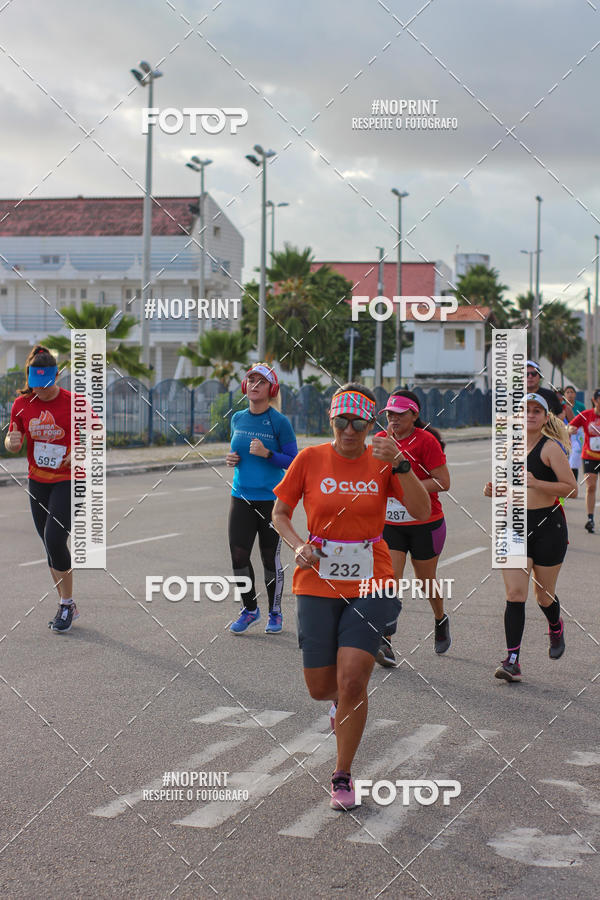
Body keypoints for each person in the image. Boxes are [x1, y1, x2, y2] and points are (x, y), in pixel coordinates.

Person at [272, 383, 430, 810]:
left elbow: (420, 510)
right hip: (317, 578)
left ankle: (342, 774)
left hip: (372, 577)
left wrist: (401, 466)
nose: (349, 430)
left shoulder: (384, 460)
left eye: (358, 422)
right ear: (331, 421)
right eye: (341, 421)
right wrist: (298, 544)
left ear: (369, 424)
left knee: (354, 678)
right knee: (321, 687)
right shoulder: (310, 459)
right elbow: (280, 513)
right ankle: (337, 707)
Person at [484, 394, 576, 682]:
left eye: (537, 411)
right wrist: (495, 490)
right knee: (515, 595)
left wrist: (538, 483)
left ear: (546, 418)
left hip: (548, 526)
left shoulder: (551, 449)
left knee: (544, 595)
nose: (530, 415)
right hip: (514, 525)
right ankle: (512, 659)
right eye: (525, 410)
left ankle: (555, 625)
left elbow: (571, 489)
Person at [374, 390, 451, 666]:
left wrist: (408, 486)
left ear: (414, 415)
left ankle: (440, 618)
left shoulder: (426, 441)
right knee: (389, 580)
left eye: (400, 414)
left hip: (425, 523)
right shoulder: (381, 441)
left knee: (425, 581)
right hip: (391, 525)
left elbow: (443, 481)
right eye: (389, 415)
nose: (393, 420)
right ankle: (386, 642)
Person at [5, 346, 76, 633]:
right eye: (37, 386)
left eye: (47, 387)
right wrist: (11, 442)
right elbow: (14, 439)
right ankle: (65, 602)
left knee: (55, 538)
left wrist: (81, 452)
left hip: (69, 480)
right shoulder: (21, 404)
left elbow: (96, 435)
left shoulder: (74, 402)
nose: (43, 393)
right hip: (38, 481)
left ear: (57, 377)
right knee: (49, 545)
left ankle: (68, 603)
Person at [226, 363, 297, 634]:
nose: (255, 385)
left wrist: (269, 454)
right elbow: (236, 451)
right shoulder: (237, 418)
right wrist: (231, 459)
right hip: (240, 496)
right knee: (238, 556)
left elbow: (293, 461)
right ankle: (250, 609)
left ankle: (275, 612)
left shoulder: (280, 422)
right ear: (245, 386)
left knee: (270, 558)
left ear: (271, 389)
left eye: (261, 382)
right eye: (251, 380)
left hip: (271, 501)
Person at [568, 389, 600, 533]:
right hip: (590, 456)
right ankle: (590, 519)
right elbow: (570, 426)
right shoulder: (586, 415)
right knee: (591, 486)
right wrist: (571, 429)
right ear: (594, 400)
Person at [561, 385, 585, 481]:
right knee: (564, 457)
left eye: (572, 392)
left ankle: (573, 482)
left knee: (575, 456)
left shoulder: (580, 406)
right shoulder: (561, 406)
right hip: (564, 433)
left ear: (575, 394)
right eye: (567, 392)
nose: (570, 394)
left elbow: (585, 420)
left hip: (577, 433)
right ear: (564, 395)